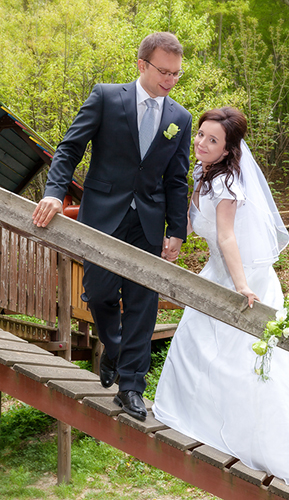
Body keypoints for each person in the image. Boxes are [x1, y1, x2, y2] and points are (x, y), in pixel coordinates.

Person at [152, 107, 289, 485]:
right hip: (216, 271)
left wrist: (240, 285)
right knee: (195, 344)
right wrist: (172, 238)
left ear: (227, 149)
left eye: (212, 140)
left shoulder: (229, 185)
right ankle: (200, 421)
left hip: (243, 276)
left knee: (251, 364)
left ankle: (273, 447)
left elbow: (226, 236)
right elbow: (191, 218)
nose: (202, 143)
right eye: (201, 135)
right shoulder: (203, 173)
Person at [32, 32, 192, 422]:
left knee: (143, 302)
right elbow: (70, 147)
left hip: (149, 222)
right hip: (103, 214)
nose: (169, 81)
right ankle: (115, 348)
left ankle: (132, 387)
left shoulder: (180, 119)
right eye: (163, 72)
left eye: (176, 75)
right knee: (99, 293)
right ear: (141, 65)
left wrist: (176, 230)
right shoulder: (106, 96)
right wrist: (54, 192)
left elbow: (176, 178)